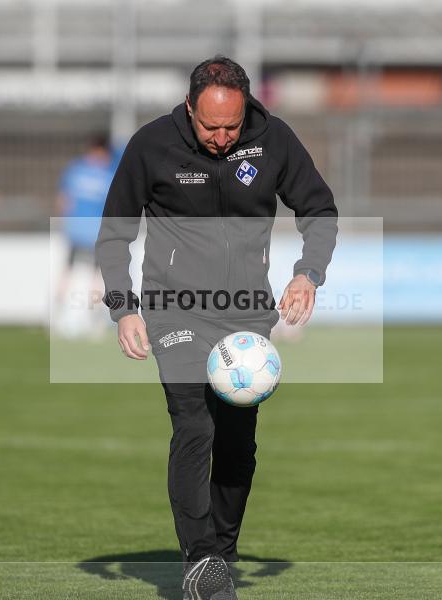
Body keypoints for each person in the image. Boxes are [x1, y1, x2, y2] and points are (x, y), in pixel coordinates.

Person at [96, 56, 337, 600]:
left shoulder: (274, 139)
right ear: (189, 108)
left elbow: (319, 210)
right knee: (194, 424)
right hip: (174, 308)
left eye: (232, 126)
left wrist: (308, 274)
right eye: (210, 127)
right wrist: (123, 307)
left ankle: (221, 555)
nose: (222, 138)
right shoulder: (151, 145)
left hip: (246, 312)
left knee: (236, 442)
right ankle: (200, 559)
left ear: (245, 109)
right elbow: (114, 234)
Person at [54, 133, 117, 337]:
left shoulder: (75, 169)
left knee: (67, 271)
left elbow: (63, 200)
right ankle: (95, 321)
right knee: (97, 277)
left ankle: (56, 316)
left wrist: (66, 223)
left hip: (75, 230)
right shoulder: (109, 174)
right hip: (97, 232)